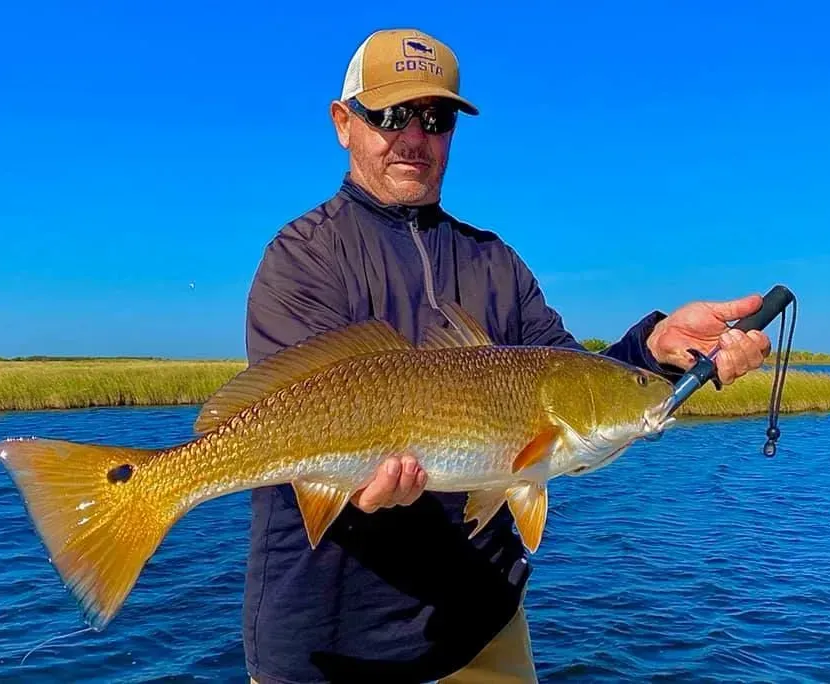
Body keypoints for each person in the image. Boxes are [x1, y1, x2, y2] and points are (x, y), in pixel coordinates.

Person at [243, 28, 771, 684]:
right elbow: (287, 414)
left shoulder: (496, 261)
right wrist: (356, 489)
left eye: (435, 118)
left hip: (483, 626)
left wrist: (657, 348)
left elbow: (568, 377)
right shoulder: (302, 259)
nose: (414, 135)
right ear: (342, 123)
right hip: (331, 645)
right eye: (389, 114)